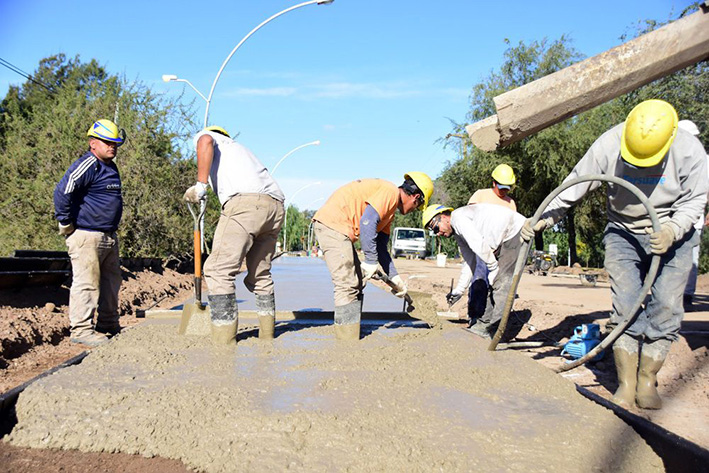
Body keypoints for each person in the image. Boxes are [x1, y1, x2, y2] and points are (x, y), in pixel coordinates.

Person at [521, 100, 708, 410]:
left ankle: (647, 379)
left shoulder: (690, 151)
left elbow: (695, 200)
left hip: (674, 234)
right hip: (623, 230)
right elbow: (574, 185)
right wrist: (546, 217)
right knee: (626, 306)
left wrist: (673, 229)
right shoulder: (609, 144)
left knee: (666, 306)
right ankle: (626, 382)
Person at [183, 126, 285, 345]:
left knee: (218, 270)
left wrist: (201, 186)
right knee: (260, 274)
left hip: (245, 204)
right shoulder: (239, 150)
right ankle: (267, 337)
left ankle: (224, 342)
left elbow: (205, 141)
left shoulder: (208, 137)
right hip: (275, 207)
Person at [312, 173, 434, 340]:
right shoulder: (390, 192)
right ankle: (347, 340)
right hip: (333, 224)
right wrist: (370, 260)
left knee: (358, 281)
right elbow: (367, 221)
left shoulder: (389, 212)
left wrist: (395, 277)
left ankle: (352, 329)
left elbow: (381, 247)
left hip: (341, 228)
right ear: (416, 197)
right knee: (347, 283)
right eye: (418, 206)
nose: (414, 210)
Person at [54, 119, 126, 347]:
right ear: (93, 143)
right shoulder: (88, 164)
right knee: (86, 282)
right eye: (107, 142)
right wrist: (65, 221)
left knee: (111, 282)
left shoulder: (110, 167)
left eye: (115, 143)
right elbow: (63, 190)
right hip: (86, 235)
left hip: (108, 236)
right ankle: (82, 330)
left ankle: (108, 323)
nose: (112, 146)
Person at [422, 202, 526, 340]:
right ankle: (484, 325)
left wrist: (493, 267)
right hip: (501, 239)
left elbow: (479, 243)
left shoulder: (458, 219)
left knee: (502, 284)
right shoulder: (458, 234)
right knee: (488, 282)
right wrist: (459, 290)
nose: (438, 233)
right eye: (434, 232)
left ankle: (495, 331)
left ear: (444, 217)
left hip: (515, 232)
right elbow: (469, 262)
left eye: (436, 228)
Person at [466, 164, 518, 325]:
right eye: (501, 187)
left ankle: (491, 319)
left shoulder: (510, 203)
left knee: (498, 283)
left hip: (501, 249)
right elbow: (469, 217)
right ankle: (475, 317)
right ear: (493, 183)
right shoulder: (480, 196)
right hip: (482, 247)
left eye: (507, 188)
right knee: (480, 280)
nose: (504, 191)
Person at [678, 120, 708, 311]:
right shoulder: (670, 157)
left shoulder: (704, 160)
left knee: (691, 257)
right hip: (670, 218)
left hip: (693, 218)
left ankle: (687, 296)